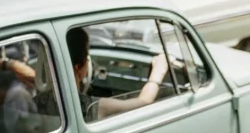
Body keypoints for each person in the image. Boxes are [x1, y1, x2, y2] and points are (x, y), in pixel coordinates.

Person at [36, 28, 169, 123]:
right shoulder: (92, 107)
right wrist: (158, 72)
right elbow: (144, 103)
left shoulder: (34, 103)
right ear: (79, 68)